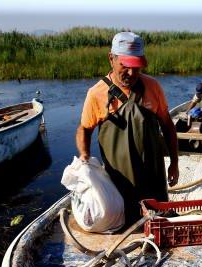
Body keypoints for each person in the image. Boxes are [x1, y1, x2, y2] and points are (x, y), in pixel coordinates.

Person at [76, 31, 179, 224]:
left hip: (154, 177)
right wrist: (84, 155)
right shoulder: (96, 94)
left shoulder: (153, 87)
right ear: (111, 59)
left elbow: (167, 125)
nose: (131, 73)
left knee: (158, 223)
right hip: (119, 181)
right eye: (125, 65)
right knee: (123, 222)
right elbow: (84, 129)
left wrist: (174, 163)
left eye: (137, 67)